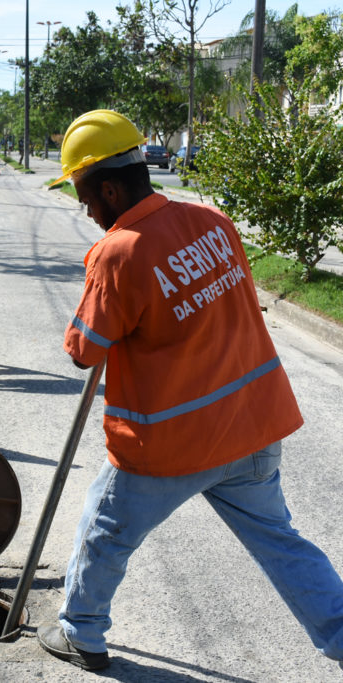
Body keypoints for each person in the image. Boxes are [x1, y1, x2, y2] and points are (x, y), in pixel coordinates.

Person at [38, 109, 343, 672]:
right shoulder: (213, 223)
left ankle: (80, 631)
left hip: (172, 444)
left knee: (105, 530)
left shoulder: (119, 251)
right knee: (284, 544)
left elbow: (83, 350)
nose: (84, 207)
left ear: (108, 186)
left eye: (83, 194)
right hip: (252, 430)